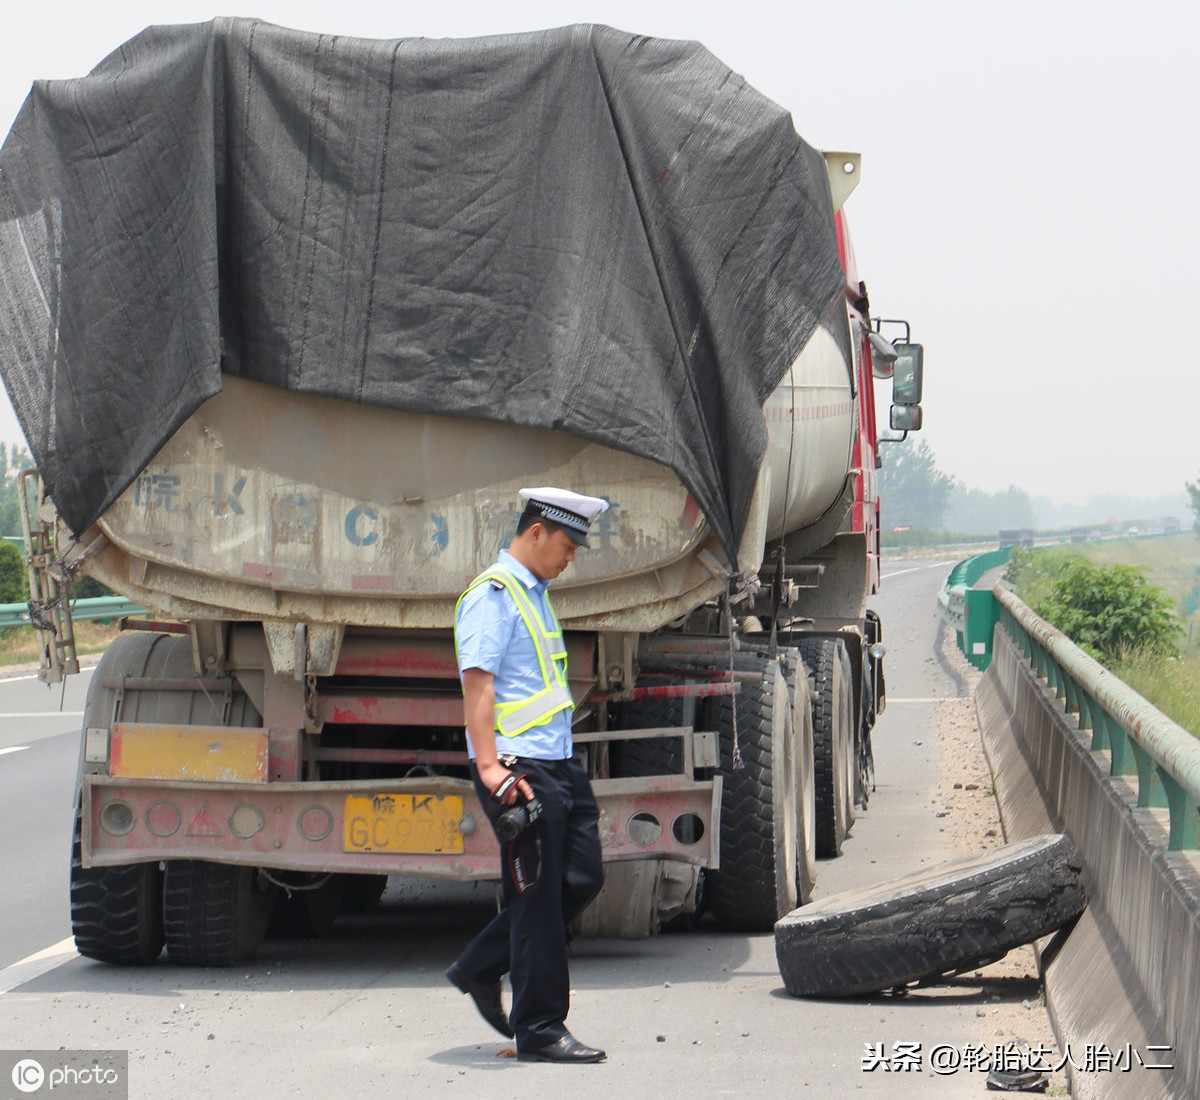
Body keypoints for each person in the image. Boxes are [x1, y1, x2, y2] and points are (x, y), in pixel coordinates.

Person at [446, 486, 609, 1064]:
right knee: (537, 897)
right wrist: (490, 768)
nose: (571, 557)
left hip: (556, 761)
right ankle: (539, 1027)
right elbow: (479, 685)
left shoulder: (533, 593)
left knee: (584, 876)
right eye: (567, 544)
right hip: (517, 765)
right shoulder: (493, 596)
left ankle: (481, 964)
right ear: (535, 532)